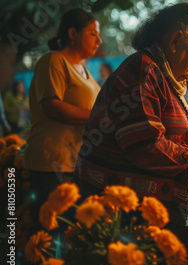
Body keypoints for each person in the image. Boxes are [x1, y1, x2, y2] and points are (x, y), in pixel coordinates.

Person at [74, 3, 188, 265]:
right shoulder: (143, 72)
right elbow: (146, 149)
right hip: (125, 220)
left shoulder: (160, 74)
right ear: (176, 41)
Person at [24, 8, 102, 218]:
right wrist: (97, 118)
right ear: (72, 34)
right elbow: (51, 105)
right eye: (93, 34)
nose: (99, 41)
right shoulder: (54, 61)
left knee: (70, 232)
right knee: (49, 229)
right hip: (52, 162)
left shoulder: (85, 72)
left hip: (77, 162)